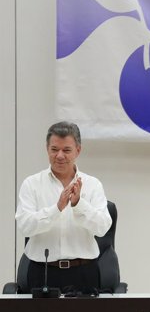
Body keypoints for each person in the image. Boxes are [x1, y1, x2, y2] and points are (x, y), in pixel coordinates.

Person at [16, 121, 112, 294]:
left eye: (66, 150)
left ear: (78, 150)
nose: (59, 155)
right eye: (54, 149)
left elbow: (103, 228)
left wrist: (78, 204)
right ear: (47, 149)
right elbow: (24, 227)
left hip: (84, 272)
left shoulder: (92, 184)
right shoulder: (31, 184)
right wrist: (57, 208)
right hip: (42, 272)